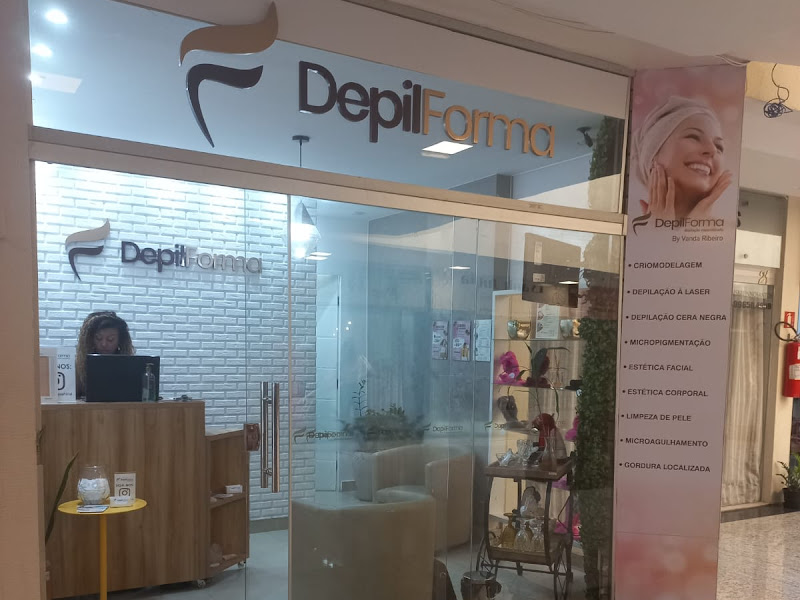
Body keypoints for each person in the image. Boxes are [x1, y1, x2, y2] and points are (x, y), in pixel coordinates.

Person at [632, 96, 732, 220]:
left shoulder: (727, 228)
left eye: (719, 147)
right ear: (652, 155)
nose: (712, 150)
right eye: (693, 137)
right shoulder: (632, 226)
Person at [75, 311, 135, 397]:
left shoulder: (130, 366)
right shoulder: (78, 366)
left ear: (120, 340)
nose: (104, 344)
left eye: (110, 339)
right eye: (98, 338)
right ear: (90, 339)